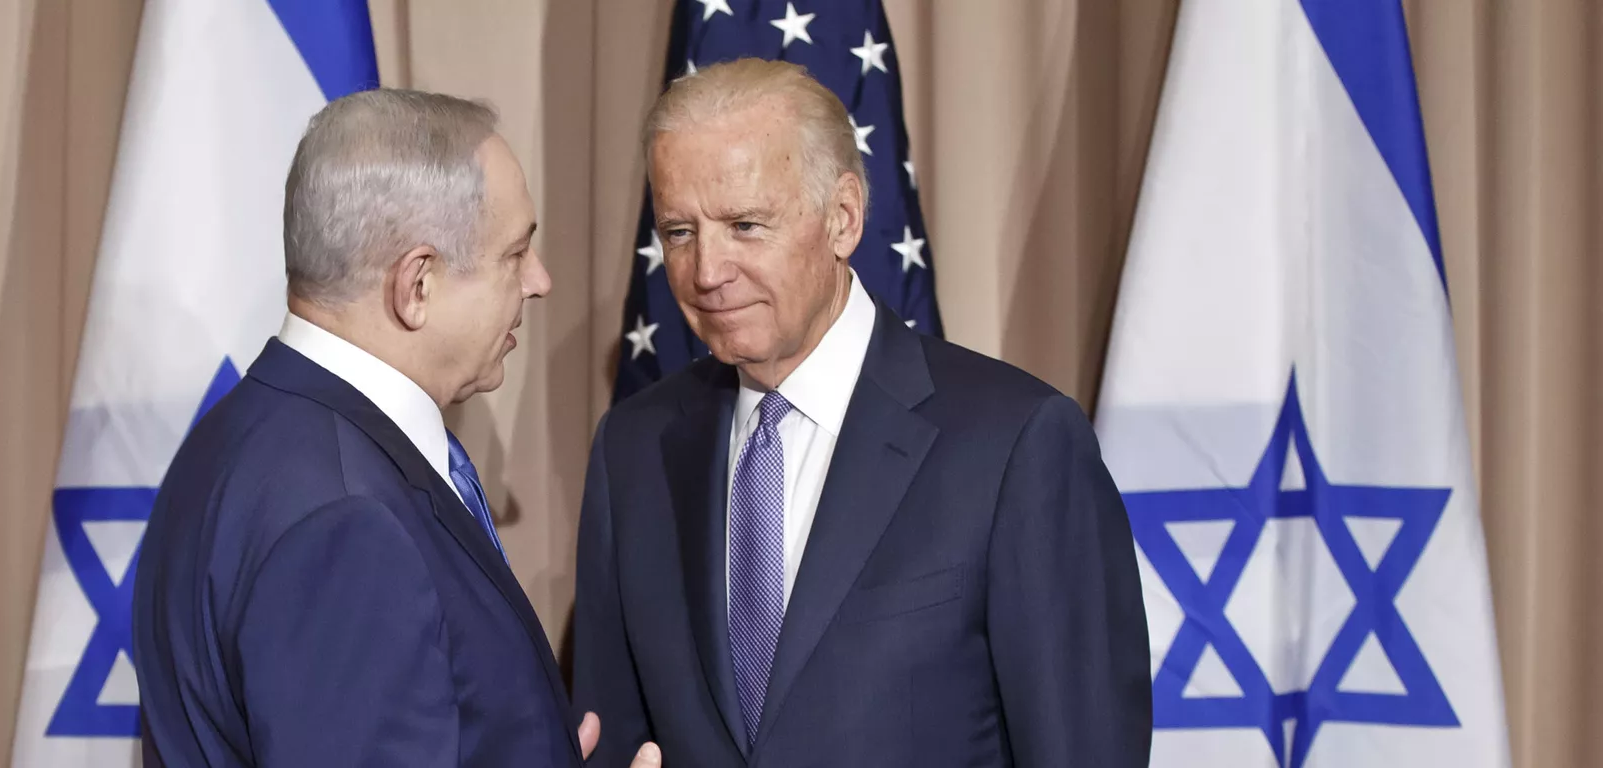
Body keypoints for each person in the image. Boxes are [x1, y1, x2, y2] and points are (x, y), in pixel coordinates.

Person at [573, 59, 1151, 766]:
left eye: (745, 225)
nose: (707, 272)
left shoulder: (1014, 445)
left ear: (842, 218)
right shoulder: (633, 449)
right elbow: (610, 740)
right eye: (680, 232)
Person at [132, 88, 658, 768]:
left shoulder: (237, 434)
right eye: (514, 254)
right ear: (417, 285)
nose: (540, 280)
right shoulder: (347, 521)